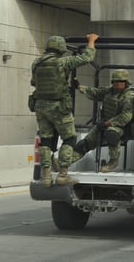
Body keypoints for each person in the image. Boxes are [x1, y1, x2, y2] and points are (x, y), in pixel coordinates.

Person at [31, 33, 99, 187]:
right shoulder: (62, 62)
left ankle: (47, 177)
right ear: (61, 49)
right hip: (59, 107)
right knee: (69, 139)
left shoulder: (36, 63)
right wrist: (91, 41)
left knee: (46, 141)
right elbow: (87, 58)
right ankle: (62, 174)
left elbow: (34, 82)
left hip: (41, 107)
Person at [72, 69, 134, 172]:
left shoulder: (129, 96)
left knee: (112, 134)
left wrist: (108, 123)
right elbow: (95, 92)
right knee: (85, 143)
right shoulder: (108, 92)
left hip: (121, 127)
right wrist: (80, 87)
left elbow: (126, 116)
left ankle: (113, 161)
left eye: (121, 81)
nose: (118, 84)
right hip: (104, 125)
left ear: (126, 83)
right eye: (115, 81)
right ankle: (64, 162)